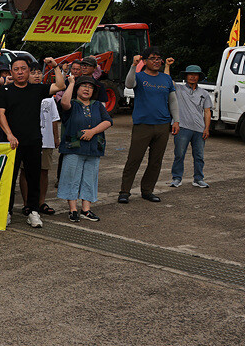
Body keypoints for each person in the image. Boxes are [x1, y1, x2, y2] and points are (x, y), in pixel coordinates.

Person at [0, 56, 64, 228]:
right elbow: (0, 114)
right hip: (12, 143)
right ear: (11, 71)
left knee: (34, 178)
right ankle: (7, 212)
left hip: (34, 141)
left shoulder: (37, 89)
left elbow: (61, 86)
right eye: (16, 69)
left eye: (23, 69)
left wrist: (55, 66)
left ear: (29, 71)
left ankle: (33, 212)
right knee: (8, 180)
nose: (20, 72)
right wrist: (10, 135)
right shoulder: (5, 91)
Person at [118, 47, 179, 204]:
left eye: (159, 58)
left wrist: (176, 120)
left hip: (162, 125)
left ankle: (147, 190)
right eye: (153, 58)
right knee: (134, 159)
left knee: (156, 161)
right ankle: (125, 191)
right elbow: (129, 84)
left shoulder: (166, 79)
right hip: (143, 125)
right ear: (145, 61)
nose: (157, 61)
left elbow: (172, 100)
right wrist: (133, 65)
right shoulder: (139, 76)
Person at [57, 75, 112, 222]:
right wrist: (71, 83)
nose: (87, 89)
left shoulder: (97, 105)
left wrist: (92, 131)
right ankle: (73, 209)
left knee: (90, 178)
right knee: (71, 178)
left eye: (90, 87)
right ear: (77, 89)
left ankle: (86, 209)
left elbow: (108, 121)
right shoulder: (72, 104)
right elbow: (64, 102)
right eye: (83, 86)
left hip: (93, 148)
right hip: (73, 148)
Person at [19, 64, 61, 216]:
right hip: (28, 139)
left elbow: (54, 119)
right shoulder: (22, 92)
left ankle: (41, 202)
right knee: (25, 171)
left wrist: (56, 138)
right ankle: (26, 204)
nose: (36, 75)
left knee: (44, 171)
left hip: (46, 140)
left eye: (39, 73)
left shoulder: (49, 96)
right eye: (33, 73)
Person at [170, 65, 212, 189]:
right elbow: (167, 80)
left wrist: (206, 128)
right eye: (190, 74)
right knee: (179, 154)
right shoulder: (179, 89)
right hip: (182, 127)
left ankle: (198, 179)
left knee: (199, 156)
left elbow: (207, 111)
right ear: (186, 76)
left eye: (196, 74)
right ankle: (177, 178)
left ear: (199, 77)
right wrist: (167, 66)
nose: (193, 76)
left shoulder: (204, 93)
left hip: (199, 129)